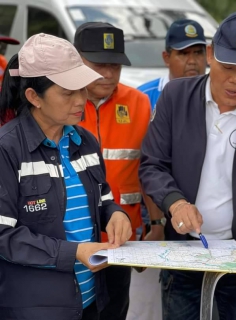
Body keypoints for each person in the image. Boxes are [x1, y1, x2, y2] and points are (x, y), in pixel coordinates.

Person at [139, 11, 236, 320]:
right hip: (182, 259)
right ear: (210, 54)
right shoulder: (175, 98)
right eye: (228, 67)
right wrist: (176, 202)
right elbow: (152, 165)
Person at [0, 33, 132, 320]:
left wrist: (116, 214)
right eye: (68, 92)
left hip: (92, 301)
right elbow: (3, 236)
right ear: (34, 97)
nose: (81, 100)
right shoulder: (7, 149)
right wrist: (74, 252)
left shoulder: (84, 141)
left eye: (82, 89)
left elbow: (103, 197)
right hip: (36, 310)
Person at [74, 22, 161, 320]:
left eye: (115, 65)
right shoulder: (60, 104)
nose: (109, 74)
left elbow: (148, 167)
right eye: (99, 65)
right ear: (77, 60)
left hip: (123, 242)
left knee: (115, 311)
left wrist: (156, 224)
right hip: (73, 243)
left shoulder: (139, 104)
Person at [127, 19, 207, 320]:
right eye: (183, 53)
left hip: (201, 212)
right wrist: (155, 219)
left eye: (198, 52)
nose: (192, 61)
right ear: (166, 57)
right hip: (153, 212)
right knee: (150, 302)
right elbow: (143, 161)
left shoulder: (217, 98)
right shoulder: (143, 98)